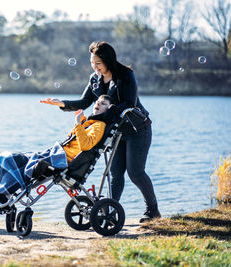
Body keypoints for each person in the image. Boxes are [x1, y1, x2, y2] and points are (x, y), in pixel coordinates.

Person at [40, 41, 160, 222]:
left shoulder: (125, 76)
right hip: (115, 132)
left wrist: (101, 118)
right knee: (115, 173)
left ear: (108, 61)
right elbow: (84, 102)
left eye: (98, 63)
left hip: (137, 129)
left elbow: (129, 103)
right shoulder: (95, 79)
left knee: (135, 172)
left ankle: (153, 211)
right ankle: (111, 211)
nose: (94, 67)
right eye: (92, 63)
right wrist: (62, 103)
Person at [0, 95, 112, 201]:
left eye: (103, 103)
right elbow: (71, 140)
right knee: (8, 157)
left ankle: (2, 194)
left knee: (20, 161)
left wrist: (78, 124)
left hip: (62, 159)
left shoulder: (99, 126)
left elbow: (85, 146)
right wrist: (80, 122)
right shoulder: (88, 123)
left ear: (107, 111)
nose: (99, 103)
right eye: (99, 101)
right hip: (56, 153)